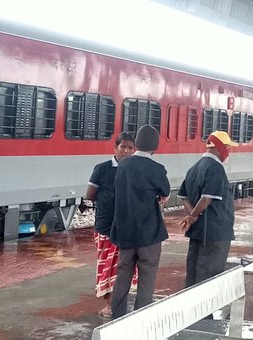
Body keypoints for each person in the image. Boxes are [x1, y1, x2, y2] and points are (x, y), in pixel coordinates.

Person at [110, 125, 170, 318]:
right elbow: (165, 191)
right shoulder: (157, 168)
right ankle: (141, 315)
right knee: (147, 274)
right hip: (149, 232)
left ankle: (117, 314)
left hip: (125, 231)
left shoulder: (123, 165)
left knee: (123, 273)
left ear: (137, 144)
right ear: (155, 146)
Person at [85, 131, 136, 317]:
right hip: (106, 227)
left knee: (123, 267)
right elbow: (90, 194)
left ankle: (117, 304)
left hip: (127, 228)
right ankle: (109, 305)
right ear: (115, 148)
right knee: (107, 268)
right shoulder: (102, 169)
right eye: (123, 147)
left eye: (131, 148)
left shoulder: (134, 170)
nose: (127, 151)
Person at [179, 130, 236, 287]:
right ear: (219, 147)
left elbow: (183, 196)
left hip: (198, 232)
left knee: (193, 274)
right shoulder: (216, 168)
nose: (229, 151)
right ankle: (205, 312)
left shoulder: (194, 168)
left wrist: (191, 215)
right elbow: (206, 198)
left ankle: (191, 310)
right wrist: (193, 216)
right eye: (228, 147)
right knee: (209, 277)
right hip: (215, 233)